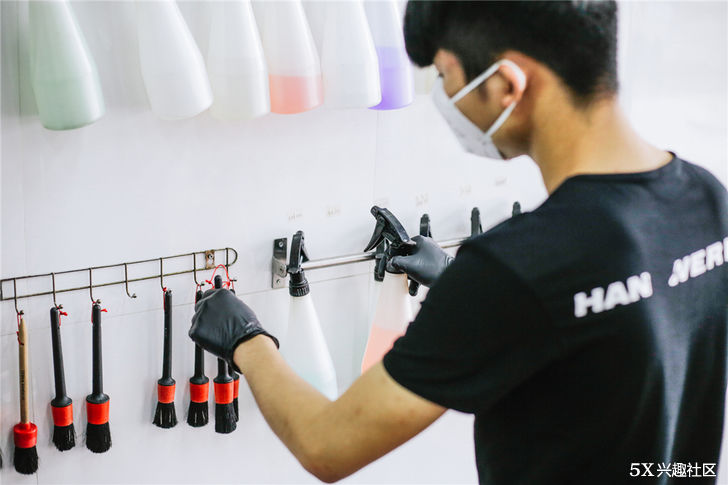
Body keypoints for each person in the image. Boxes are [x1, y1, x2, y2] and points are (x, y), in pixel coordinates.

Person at [189, 1, 728, 483]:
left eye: (447, 76)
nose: (447, 100)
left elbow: (326, 446)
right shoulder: (707, 199)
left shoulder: (514, 267)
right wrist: (462, 287)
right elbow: (617, 335)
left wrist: (246, 340)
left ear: (508, 84)